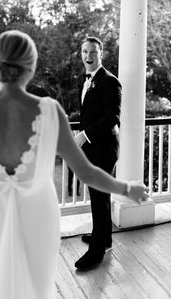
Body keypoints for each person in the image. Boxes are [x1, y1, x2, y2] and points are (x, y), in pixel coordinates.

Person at [0, 30, 148, 298]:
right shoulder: (50, 111)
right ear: (32, 65)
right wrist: (127, 189)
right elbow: (86, 172)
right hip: (39, 217)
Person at [75, 36, 122, 271]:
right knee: (99, 196)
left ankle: (96, 252)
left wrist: (85, 135)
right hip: (93, 147)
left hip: (104, 149)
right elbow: (89, 114)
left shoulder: (109, 81)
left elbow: (113, 116)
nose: (88, 56)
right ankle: (103, 237)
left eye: (93, 51)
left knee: (100, 198)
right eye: (84, 51)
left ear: (100, 54)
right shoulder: (85, 81)